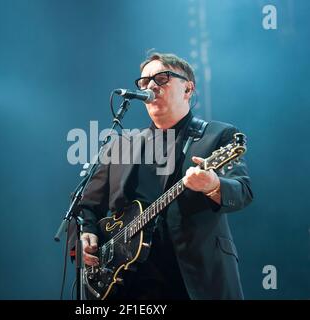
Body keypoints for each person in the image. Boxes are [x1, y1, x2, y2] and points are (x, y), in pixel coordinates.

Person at [77, 52, 253, 300]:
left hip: (194, 278)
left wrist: (213, 185)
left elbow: (243, 190)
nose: (150, 85)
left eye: (161, 78)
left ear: (188, 89)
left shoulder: (217, 136)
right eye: (144, 81)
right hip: (127, 283)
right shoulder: (120, 146)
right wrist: (87, 234)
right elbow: (86, 205)